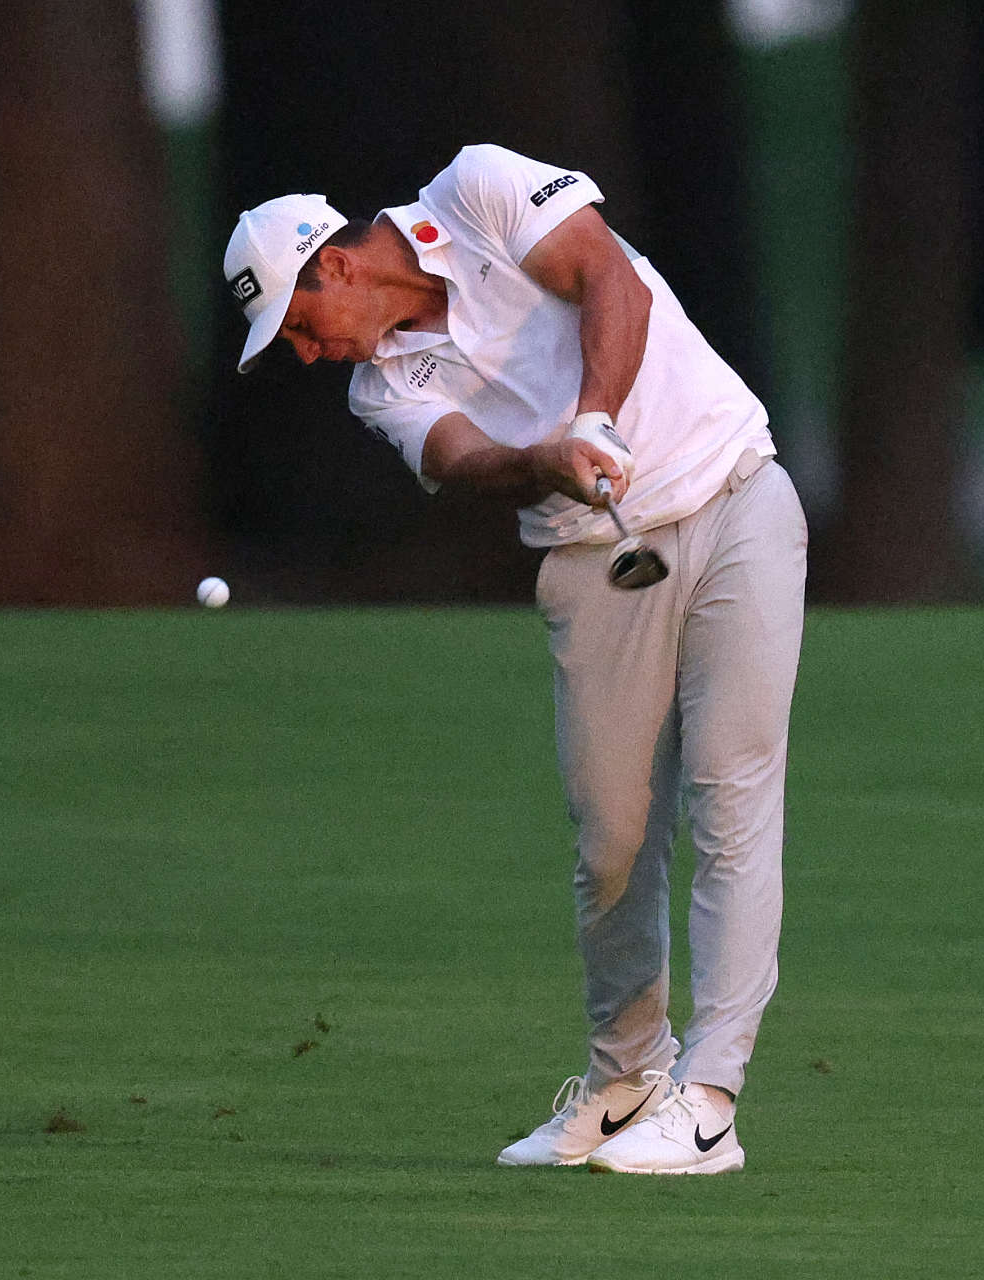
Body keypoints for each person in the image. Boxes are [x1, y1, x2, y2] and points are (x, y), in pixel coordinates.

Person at [224, 144, 807, 1175]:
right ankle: (628, 1082)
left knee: (730, 792)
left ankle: (711, 1098)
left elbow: (609, 278)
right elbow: (464, 459)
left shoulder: (479, 188)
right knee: (613, 839)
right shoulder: (379, 389)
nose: (308, 357)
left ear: (338, 266)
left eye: (301, 327)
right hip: (596, 560)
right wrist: (551, 460)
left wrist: (594, 418)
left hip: (733, 491)